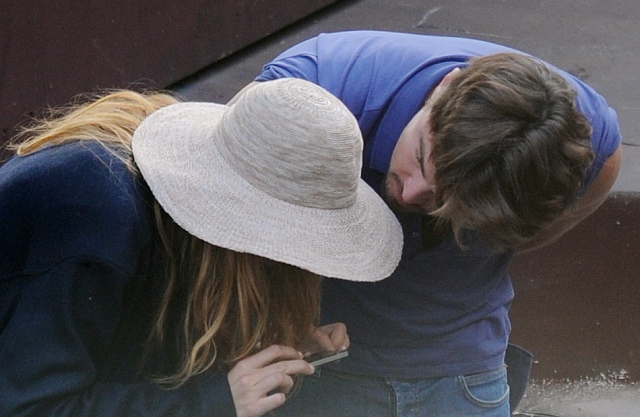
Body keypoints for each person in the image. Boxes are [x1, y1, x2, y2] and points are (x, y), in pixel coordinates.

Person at [229, 30, 623, 416]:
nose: (410, 194)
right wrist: (281, 315)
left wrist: (492, 230)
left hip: (463, 362)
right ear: (444, 87)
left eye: (445, 198)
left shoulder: (573, 139)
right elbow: (220, 225)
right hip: (314, 358)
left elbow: (601, 170)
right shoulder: (306, 89)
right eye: (419, 156)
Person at [0, 78, 404, 417]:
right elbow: (32, 407)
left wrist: (274, 341)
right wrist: (213, 402)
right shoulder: (94, 221)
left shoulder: (168, 210)